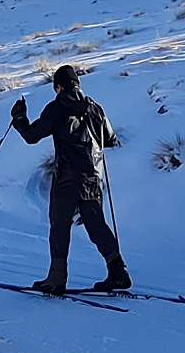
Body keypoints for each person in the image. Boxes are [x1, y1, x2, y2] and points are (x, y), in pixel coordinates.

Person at [11, 64, 131, 294]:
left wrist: (19, 118)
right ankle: (118, 271)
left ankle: (57, 279)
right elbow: (110, 138)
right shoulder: (95, 107)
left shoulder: (57, 107)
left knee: (60, 226)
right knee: (96, 225)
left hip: (67, 177)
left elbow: (32, 136)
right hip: (92, 176)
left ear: (59, 86)